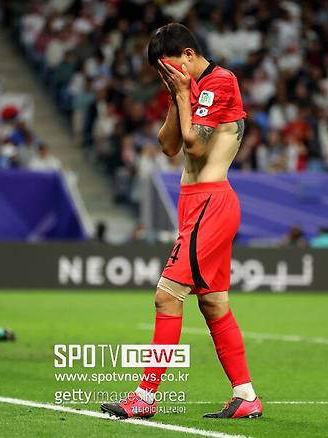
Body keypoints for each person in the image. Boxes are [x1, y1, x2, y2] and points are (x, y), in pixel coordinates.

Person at [101, 24, 262, 420]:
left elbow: (196, 144)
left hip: (211, 201)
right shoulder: (189, 89)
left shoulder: (220, 82)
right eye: (161, 74)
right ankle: (246, 396)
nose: (166, 77)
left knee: (166, 295)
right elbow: (169, 144)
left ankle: (145, 396)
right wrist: (178, 96)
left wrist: (183, 96)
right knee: (212, 303)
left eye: (169, 69)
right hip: (195, 203)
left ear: (188, 55)